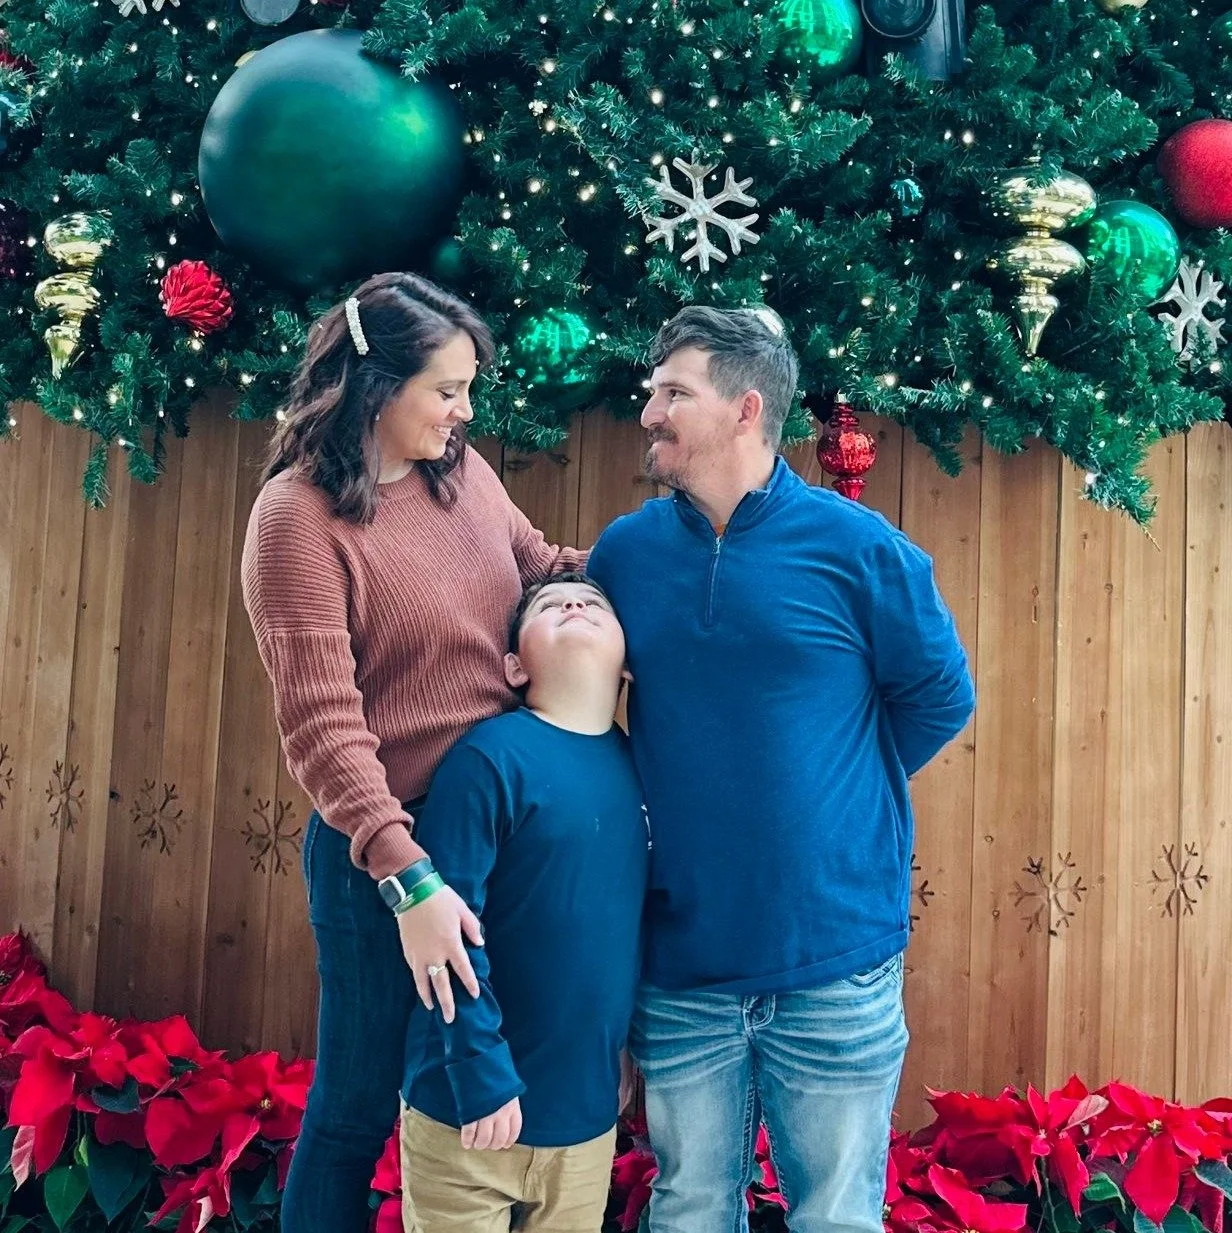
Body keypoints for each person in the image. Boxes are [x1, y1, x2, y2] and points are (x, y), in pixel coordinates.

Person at [586, 305, 976, 1233]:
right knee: (685, 1208)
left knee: (837, 1215)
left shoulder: (863, 553)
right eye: (652, 392)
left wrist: (833, 797)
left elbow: (939, 699)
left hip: (833, 956)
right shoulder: (625, 556)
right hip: (681, 962)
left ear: (745, 408)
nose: (650, 413)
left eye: (673, 393)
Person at [240, 272, 585, 1233]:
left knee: (491, 1101)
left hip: (500, 833)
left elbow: (542, 568)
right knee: (355, 1110)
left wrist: (662, 564)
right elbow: (322, 723)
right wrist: (409, 882)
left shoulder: (461, 474)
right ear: (374, 384)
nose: (464, 410)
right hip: (391, 860)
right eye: (447, 389)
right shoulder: (296, 520)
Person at [399, 573, 648, 1233]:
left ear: (627, 662)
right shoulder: (487, 760)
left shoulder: (641, 771)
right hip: (466, 1112)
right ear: (513, 663)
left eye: (596, 602)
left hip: (584, 1122)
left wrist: (623, 1051)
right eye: (549, 604)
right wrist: (479, 1070)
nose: (574, 604)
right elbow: (442, 937)